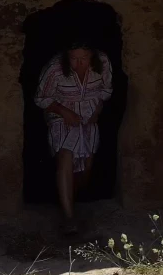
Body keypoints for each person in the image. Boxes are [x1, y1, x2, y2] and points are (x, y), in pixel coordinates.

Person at [34, 43, 113, 234]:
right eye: (73, 58)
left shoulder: (102, 62)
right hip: (62, 117)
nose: (79, 63)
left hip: (88, 118)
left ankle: (71, 199)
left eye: (84, 58)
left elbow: (105, 91)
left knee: (86, 167)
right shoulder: (55, 68)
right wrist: (63, 111)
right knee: (66, 155)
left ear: (92, 55)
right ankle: (69, 218)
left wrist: (97, 111)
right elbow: (41, 98)